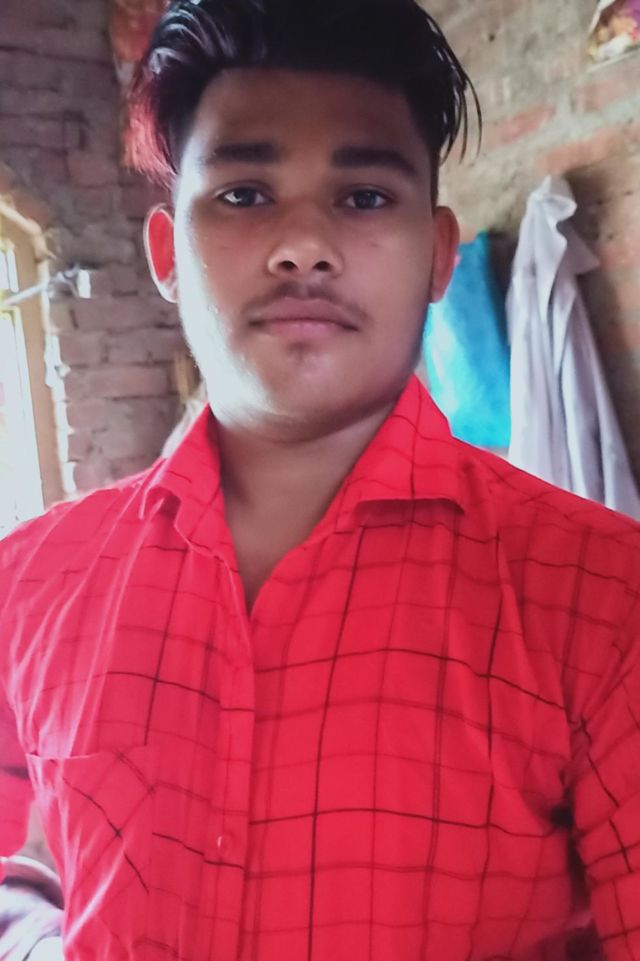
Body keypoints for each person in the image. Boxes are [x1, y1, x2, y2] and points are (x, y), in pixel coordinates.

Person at [1, 0, 639, 958]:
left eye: (365, 196)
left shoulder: (603, 597)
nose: (303, 244)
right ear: (167, 253)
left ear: (439, 255)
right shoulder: (30, 581)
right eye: (244, 194)